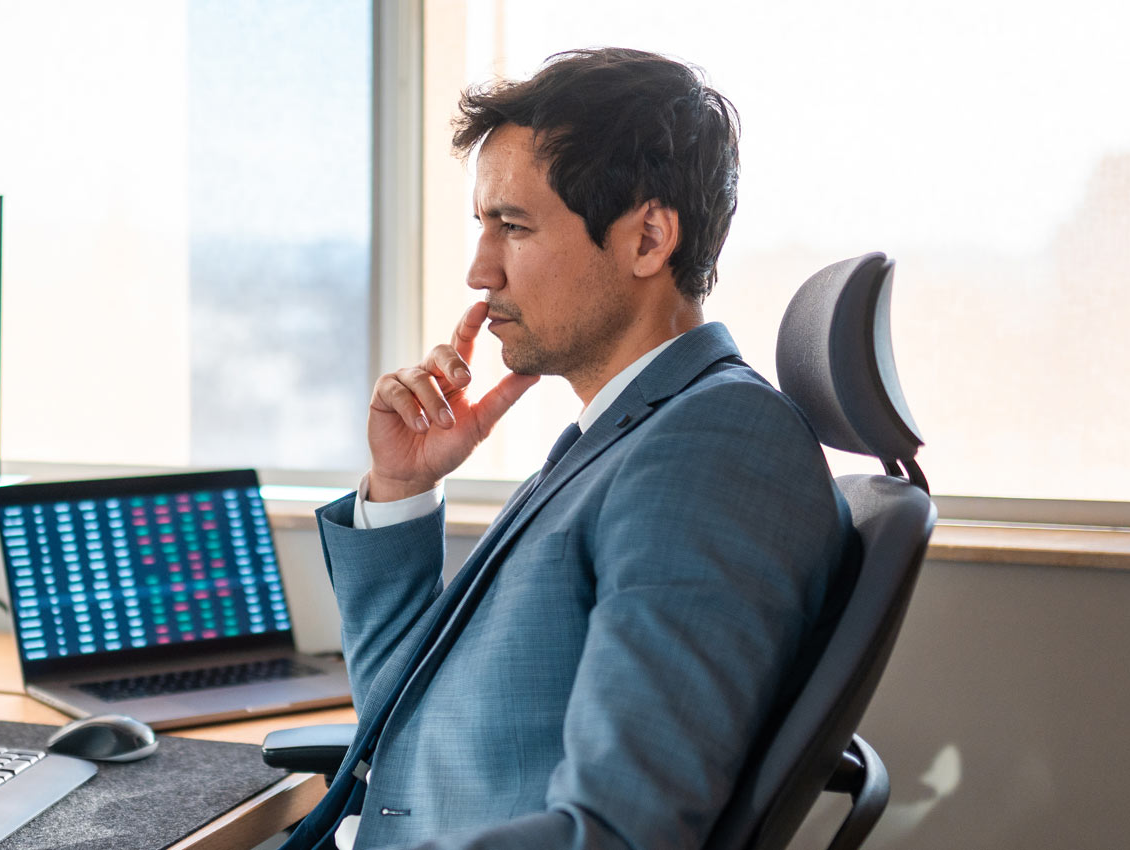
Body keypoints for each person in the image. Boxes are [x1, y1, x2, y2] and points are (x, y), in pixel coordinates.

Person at [282, 48, 854, 849]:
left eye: (512, 227)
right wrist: (400, 485)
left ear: (647, 238)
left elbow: (623, 829)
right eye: (481, 227)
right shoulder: (619, 434)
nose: (479, 271)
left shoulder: (711, 446)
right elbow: (397, 722)